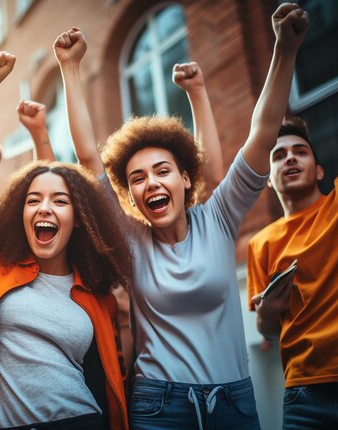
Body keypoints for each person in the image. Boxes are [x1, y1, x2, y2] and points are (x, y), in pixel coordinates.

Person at [55, 3, 308, 429]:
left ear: (186, 178)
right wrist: (69, 68)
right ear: (130, 195)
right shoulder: (131, 238)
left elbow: (263, 131)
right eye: (138, 178)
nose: (151, 183)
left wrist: (285, 48)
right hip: (159, 405)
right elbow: (87, 158)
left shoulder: (220, 216)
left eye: (162, 171)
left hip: (234, 401)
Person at [0, 50, 132, 430]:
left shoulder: (95, 294)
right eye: (32, 200)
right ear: (18, 215)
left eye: (60, 201)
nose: (44, 208)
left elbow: (114, 375)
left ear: (77, 220)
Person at [247, 117, 338, 429]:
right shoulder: (260, 244)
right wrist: (266, 313)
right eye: (278, 155)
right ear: (268, 179)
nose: (290, 157)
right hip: (303, 397)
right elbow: (268, 331)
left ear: (319, 170)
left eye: (300, 151)